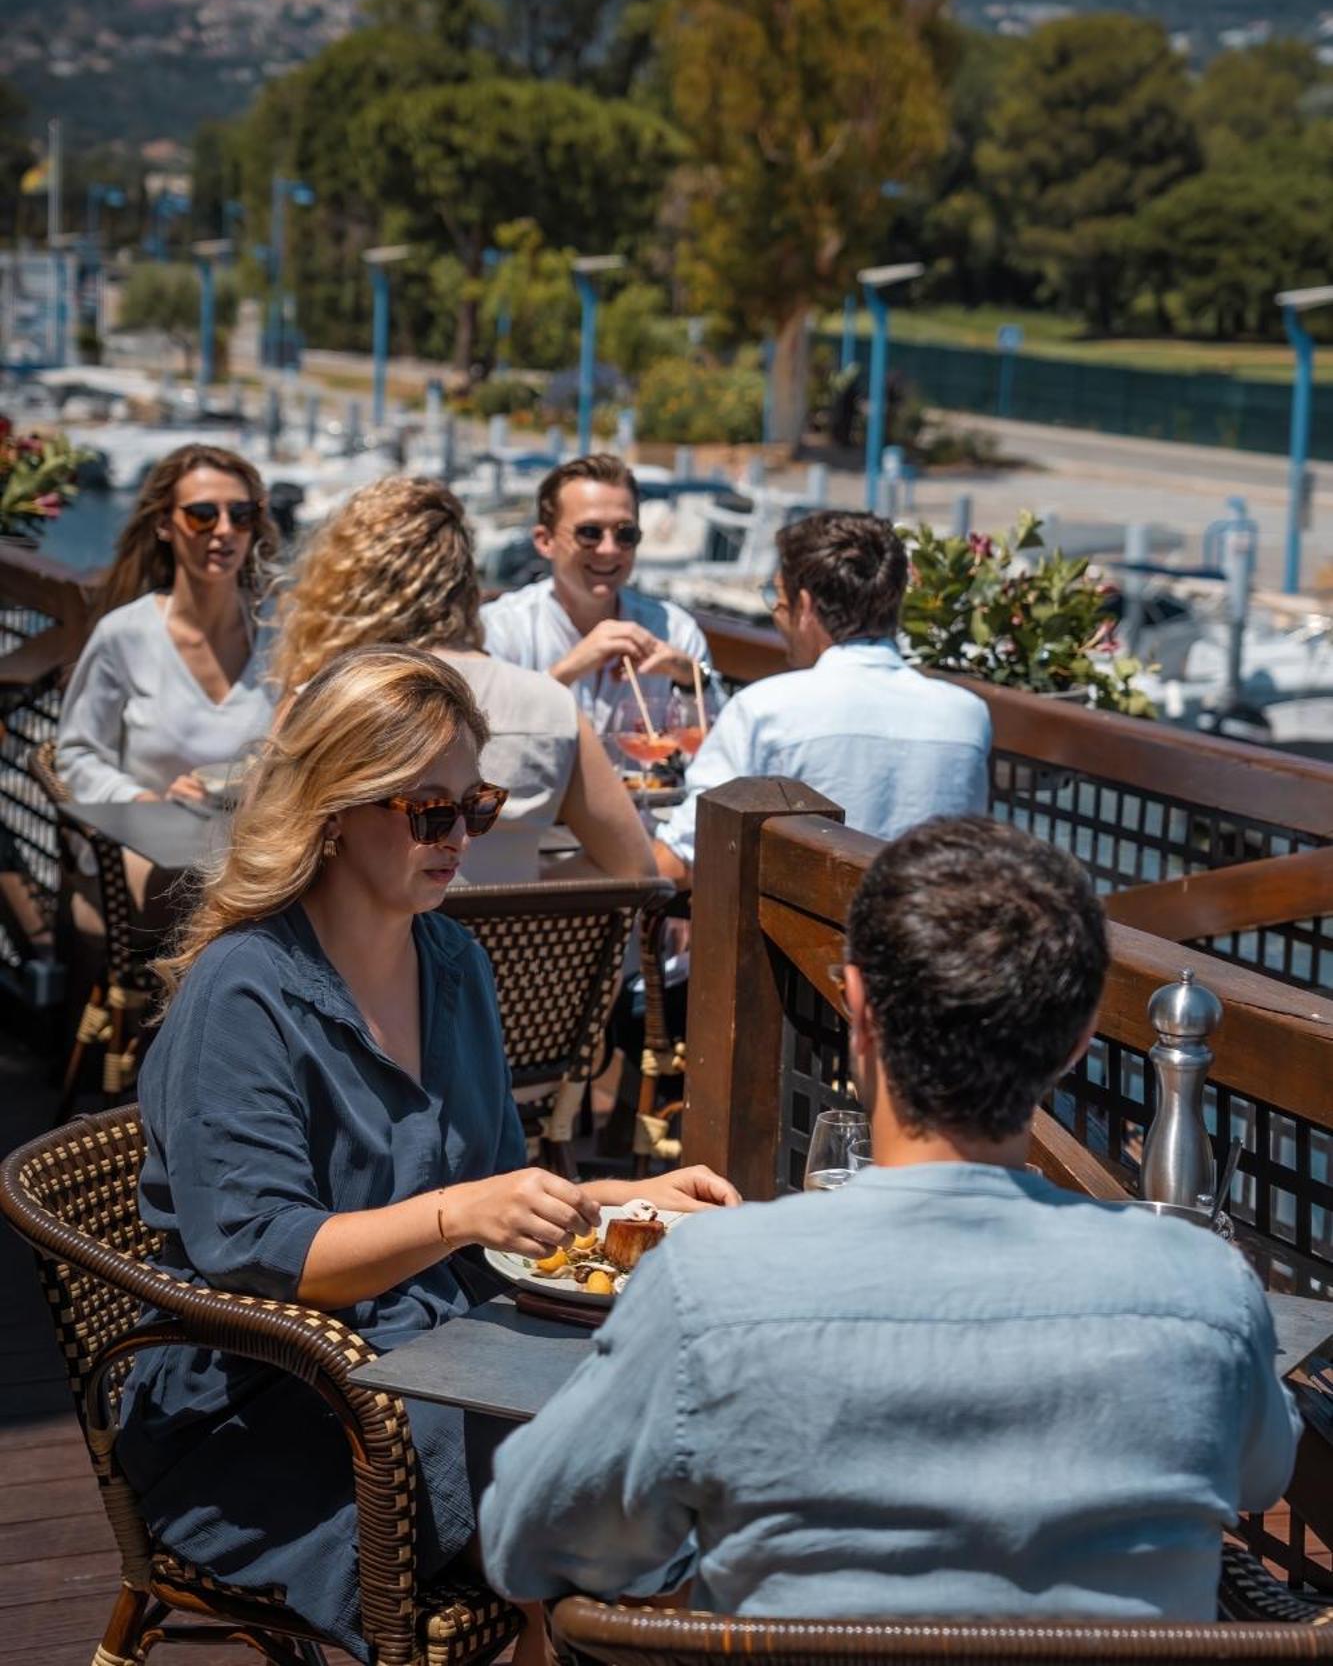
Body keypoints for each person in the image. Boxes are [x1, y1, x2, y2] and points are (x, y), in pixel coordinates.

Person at [481, 816, 1300, 1620]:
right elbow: (1261, 1472)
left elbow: (527, 1540)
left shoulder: (710, 1285)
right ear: (1078, 1039)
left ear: (858, 1009)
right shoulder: (1204, 1291)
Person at [115, 645, 737, 1662]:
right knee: (611, 1463)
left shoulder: (451, 960)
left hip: (437, 1346)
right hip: (275, 1398)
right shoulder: (245, 989)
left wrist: (619, 1197)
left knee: (674, 1403)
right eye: (429, 812)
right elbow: (257, 1250)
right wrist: (460, 1213)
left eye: (475, 807)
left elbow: (483, 1181)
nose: (460, 837)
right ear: (333, 809)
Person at [271, 475, 654, 883]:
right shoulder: (552, 705)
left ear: (346, 585)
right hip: (510, 945)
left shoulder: (318, 705)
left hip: (362, 947)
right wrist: (525, 890)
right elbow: (634, 867)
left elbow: (275, 863)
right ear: (467, 580)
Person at [653, 511, 991, 884]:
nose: (776, 612)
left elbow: (682, 858)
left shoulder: (765, 711)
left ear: (806, 606)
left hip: (803, 940)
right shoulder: (968, 716)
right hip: (930, 935)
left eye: (775, 597)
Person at [57, 442, 277, 805]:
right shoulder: (125, 635)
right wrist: (148, 803)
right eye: (202, 514)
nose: (224, 529)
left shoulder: (282, 633)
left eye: (240, 514)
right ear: (164, 524)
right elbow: (78, 756)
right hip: (153, 845)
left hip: (261, 849)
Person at [480, 453, 712, 732]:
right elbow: (481, 739)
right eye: (589, 533)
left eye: (625, 534)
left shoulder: (676, 631)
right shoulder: (501, 628)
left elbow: (711, 755)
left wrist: (691, 680)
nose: (609, 549)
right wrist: (566, 671)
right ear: (545, 541)